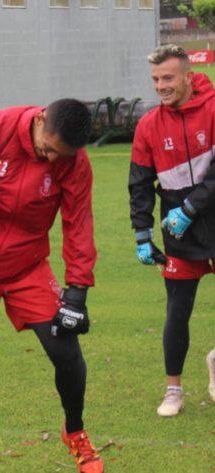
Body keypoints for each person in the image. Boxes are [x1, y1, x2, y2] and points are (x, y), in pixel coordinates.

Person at [0, 99, 103, 473]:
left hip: (27, 267)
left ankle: (74, 431)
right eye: (48, 148)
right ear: (41, 119)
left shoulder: (72, 161)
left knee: (66, 350)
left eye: (59, 156)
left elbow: (78, 223)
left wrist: (77, 292)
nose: (50, 160)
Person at [129, 44, 215, 416]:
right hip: (179, 234)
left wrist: (191, 207)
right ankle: (173, 391)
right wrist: (142, 233)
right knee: (177, 311)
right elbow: (139, 182)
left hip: (207, 217)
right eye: (155, 79)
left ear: (187, 76)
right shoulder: (149, 124)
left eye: (167, 78)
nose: (160, 86)